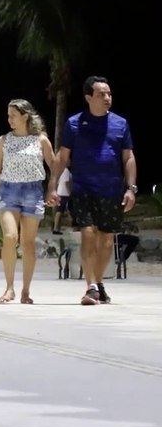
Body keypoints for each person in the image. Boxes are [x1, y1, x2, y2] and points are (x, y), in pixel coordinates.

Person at [47, 76, 137, 306]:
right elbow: (62, 156)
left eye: (109, 94)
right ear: (89, 98)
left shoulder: (121, 124)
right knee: (88, 233)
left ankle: (99, 283)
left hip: (111, 190)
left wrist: (131, 188)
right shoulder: (75, 123)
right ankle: (91, 287)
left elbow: (128, 158)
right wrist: (52, 184)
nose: (107, 98)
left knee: (106, 240)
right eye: (101, 94)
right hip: (83, 188)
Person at [0, 99, 56, 304]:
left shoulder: (40, 140)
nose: (9, 119)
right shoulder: (3, 141)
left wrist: (52, 189)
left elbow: (54, 166)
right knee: (9, 236)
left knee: (28, 243)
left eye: (13, 115)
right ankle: (9, 288)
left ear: (25, 116)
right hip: (8, 192)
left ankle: (26, 291)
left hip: (33, 192)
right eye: (8, 115)